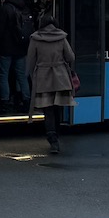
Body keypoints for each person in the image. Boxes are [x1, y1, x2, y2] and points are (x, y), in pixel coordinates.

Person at [26, 15, 75, 154]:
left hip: (43, 77)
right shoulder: (61, 37)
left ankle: (52, 139)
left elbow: (30, 61)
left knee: (48, 111)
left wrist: (32, 76)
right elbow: (71, 57)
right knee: (57, 108)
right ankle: (57, 136)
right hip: (61, 78)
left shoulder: (35, 38)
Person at [0, 0, 33, 111]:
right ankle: (26, 99)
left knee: (3, 75)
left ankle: (5, 101)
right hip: (21, 48)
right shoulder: (25, 8)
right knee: (22, 75)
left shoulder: (5, 8)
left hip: (5, 49)